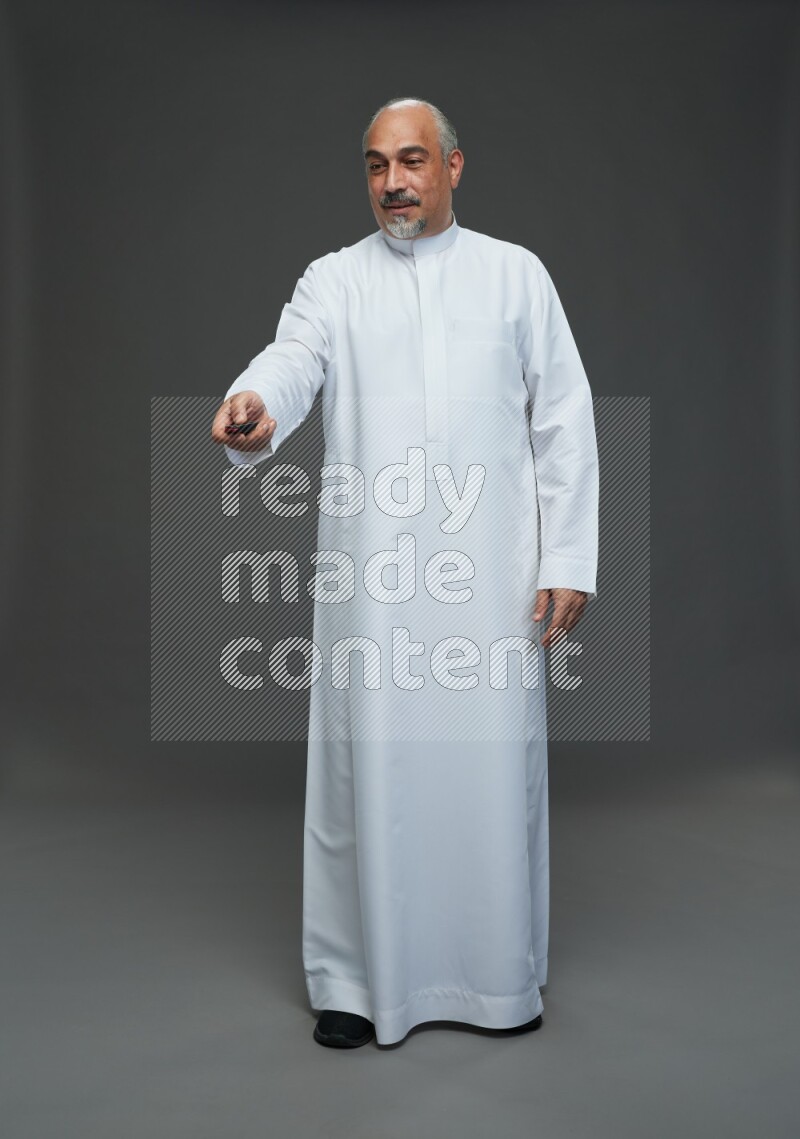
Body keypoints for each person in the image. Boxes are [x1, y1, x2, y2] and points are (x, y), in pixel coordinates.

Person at [210, 97, 599, 1049]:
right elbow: (293, 357)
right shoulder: (335, 281)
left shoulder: (516, 277)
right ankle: (353, 979)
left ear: (455, 167)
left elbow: (564, 417)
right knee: (364, 773)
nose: (395, 181)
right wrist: (255, 400)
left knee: (488, 773)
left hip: (490, 577)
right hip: (372, 584)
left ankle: (497, 978)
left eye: (414, 160)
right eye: (379, 165)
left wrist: (569, 556)